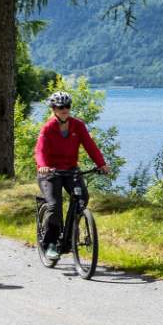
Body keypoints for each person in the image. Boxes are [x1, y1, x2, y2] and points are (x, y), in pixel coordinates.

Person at [33, 90, 112, 265]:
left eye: (67, 106)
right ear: (54, 109)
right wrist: (43, 166)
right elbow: (40, 150)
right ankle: (51, 243)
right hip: (50, 172)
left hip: (70, 170)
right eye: (60, 107)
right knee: (55, 205)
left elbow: (90, 146)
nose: (64, 109)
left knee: (82, 198)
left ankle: (70, 234)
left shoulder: (78, 125)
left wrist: (101, 164)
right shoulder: (48, 128)